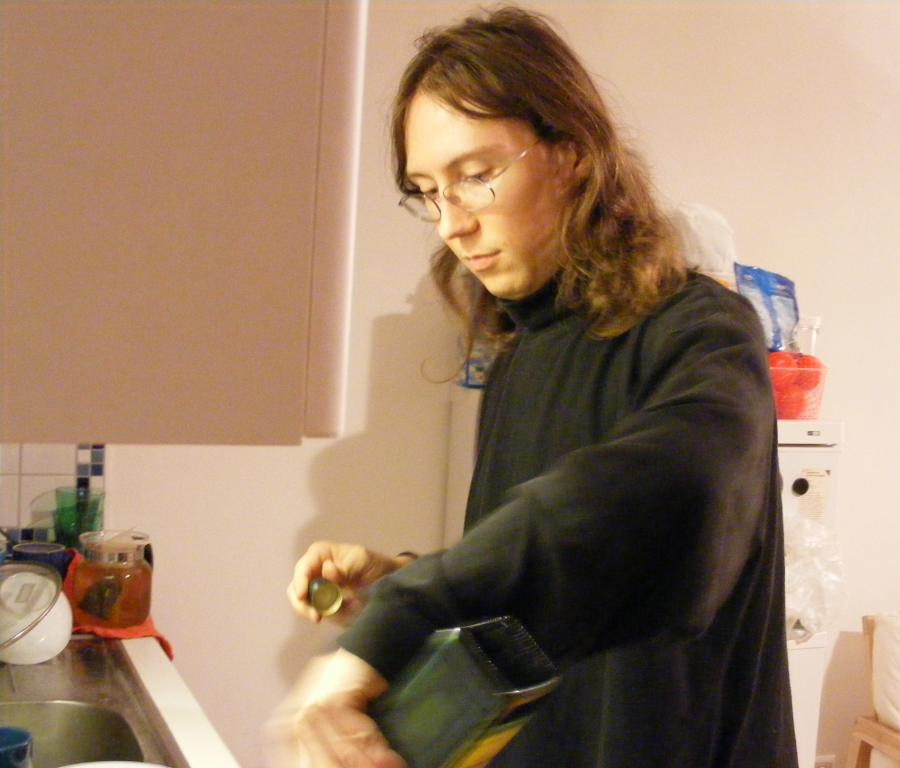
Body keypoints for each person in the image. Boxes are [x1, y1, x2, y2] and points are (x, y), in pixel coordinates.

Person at [269, 6, 796, 767]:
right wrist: (406, 580)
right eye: (428, 190)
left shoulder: (703, 331)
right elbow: (566, 579)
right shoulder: (521, 355)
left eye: (476, 177)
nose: (451, 223)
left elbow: (663, 495)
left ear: (572, 151)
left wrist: (420, 604)